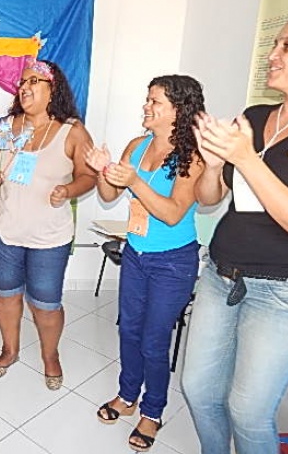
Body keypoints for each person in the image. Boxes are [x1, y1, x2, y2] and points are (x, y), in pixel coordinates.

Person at [182, 9, 288, 454]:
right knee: (198, 391)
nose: (272, 54)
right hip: (222, 276)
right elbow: (209, 198)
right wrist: (214, 165)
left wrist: (245, 158)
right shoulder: (256, 117)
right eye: (274, 44)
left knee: (248, 412)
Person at [86, 75, 206, 452]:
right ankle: (127, 396)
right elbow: (109, 194)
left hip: (173, 262)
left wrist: (135, 181)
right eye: (148, 99)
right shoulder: (136, 146)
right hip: (136, 253)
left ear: (178, 110)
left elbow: (171, 214)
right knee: (128, 330)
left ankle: (152, 412)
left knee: (154, 341)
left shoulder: (192, 157)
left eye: (155, 102)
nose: (146, 106)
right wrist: (102, 169)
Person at [0, 58, 96, 390]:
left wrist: (69, 190)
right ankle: (9, 350)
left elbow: (88, 175)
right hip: (4, 228)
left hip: (49, 236)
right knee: (6, 294)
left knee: (45, 303)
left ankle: (50, 355)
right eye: (22, 82)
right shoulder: (6, 126)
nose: (25, 87)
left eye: (34, 81)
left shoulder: (72, 131)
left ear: (52, 89)